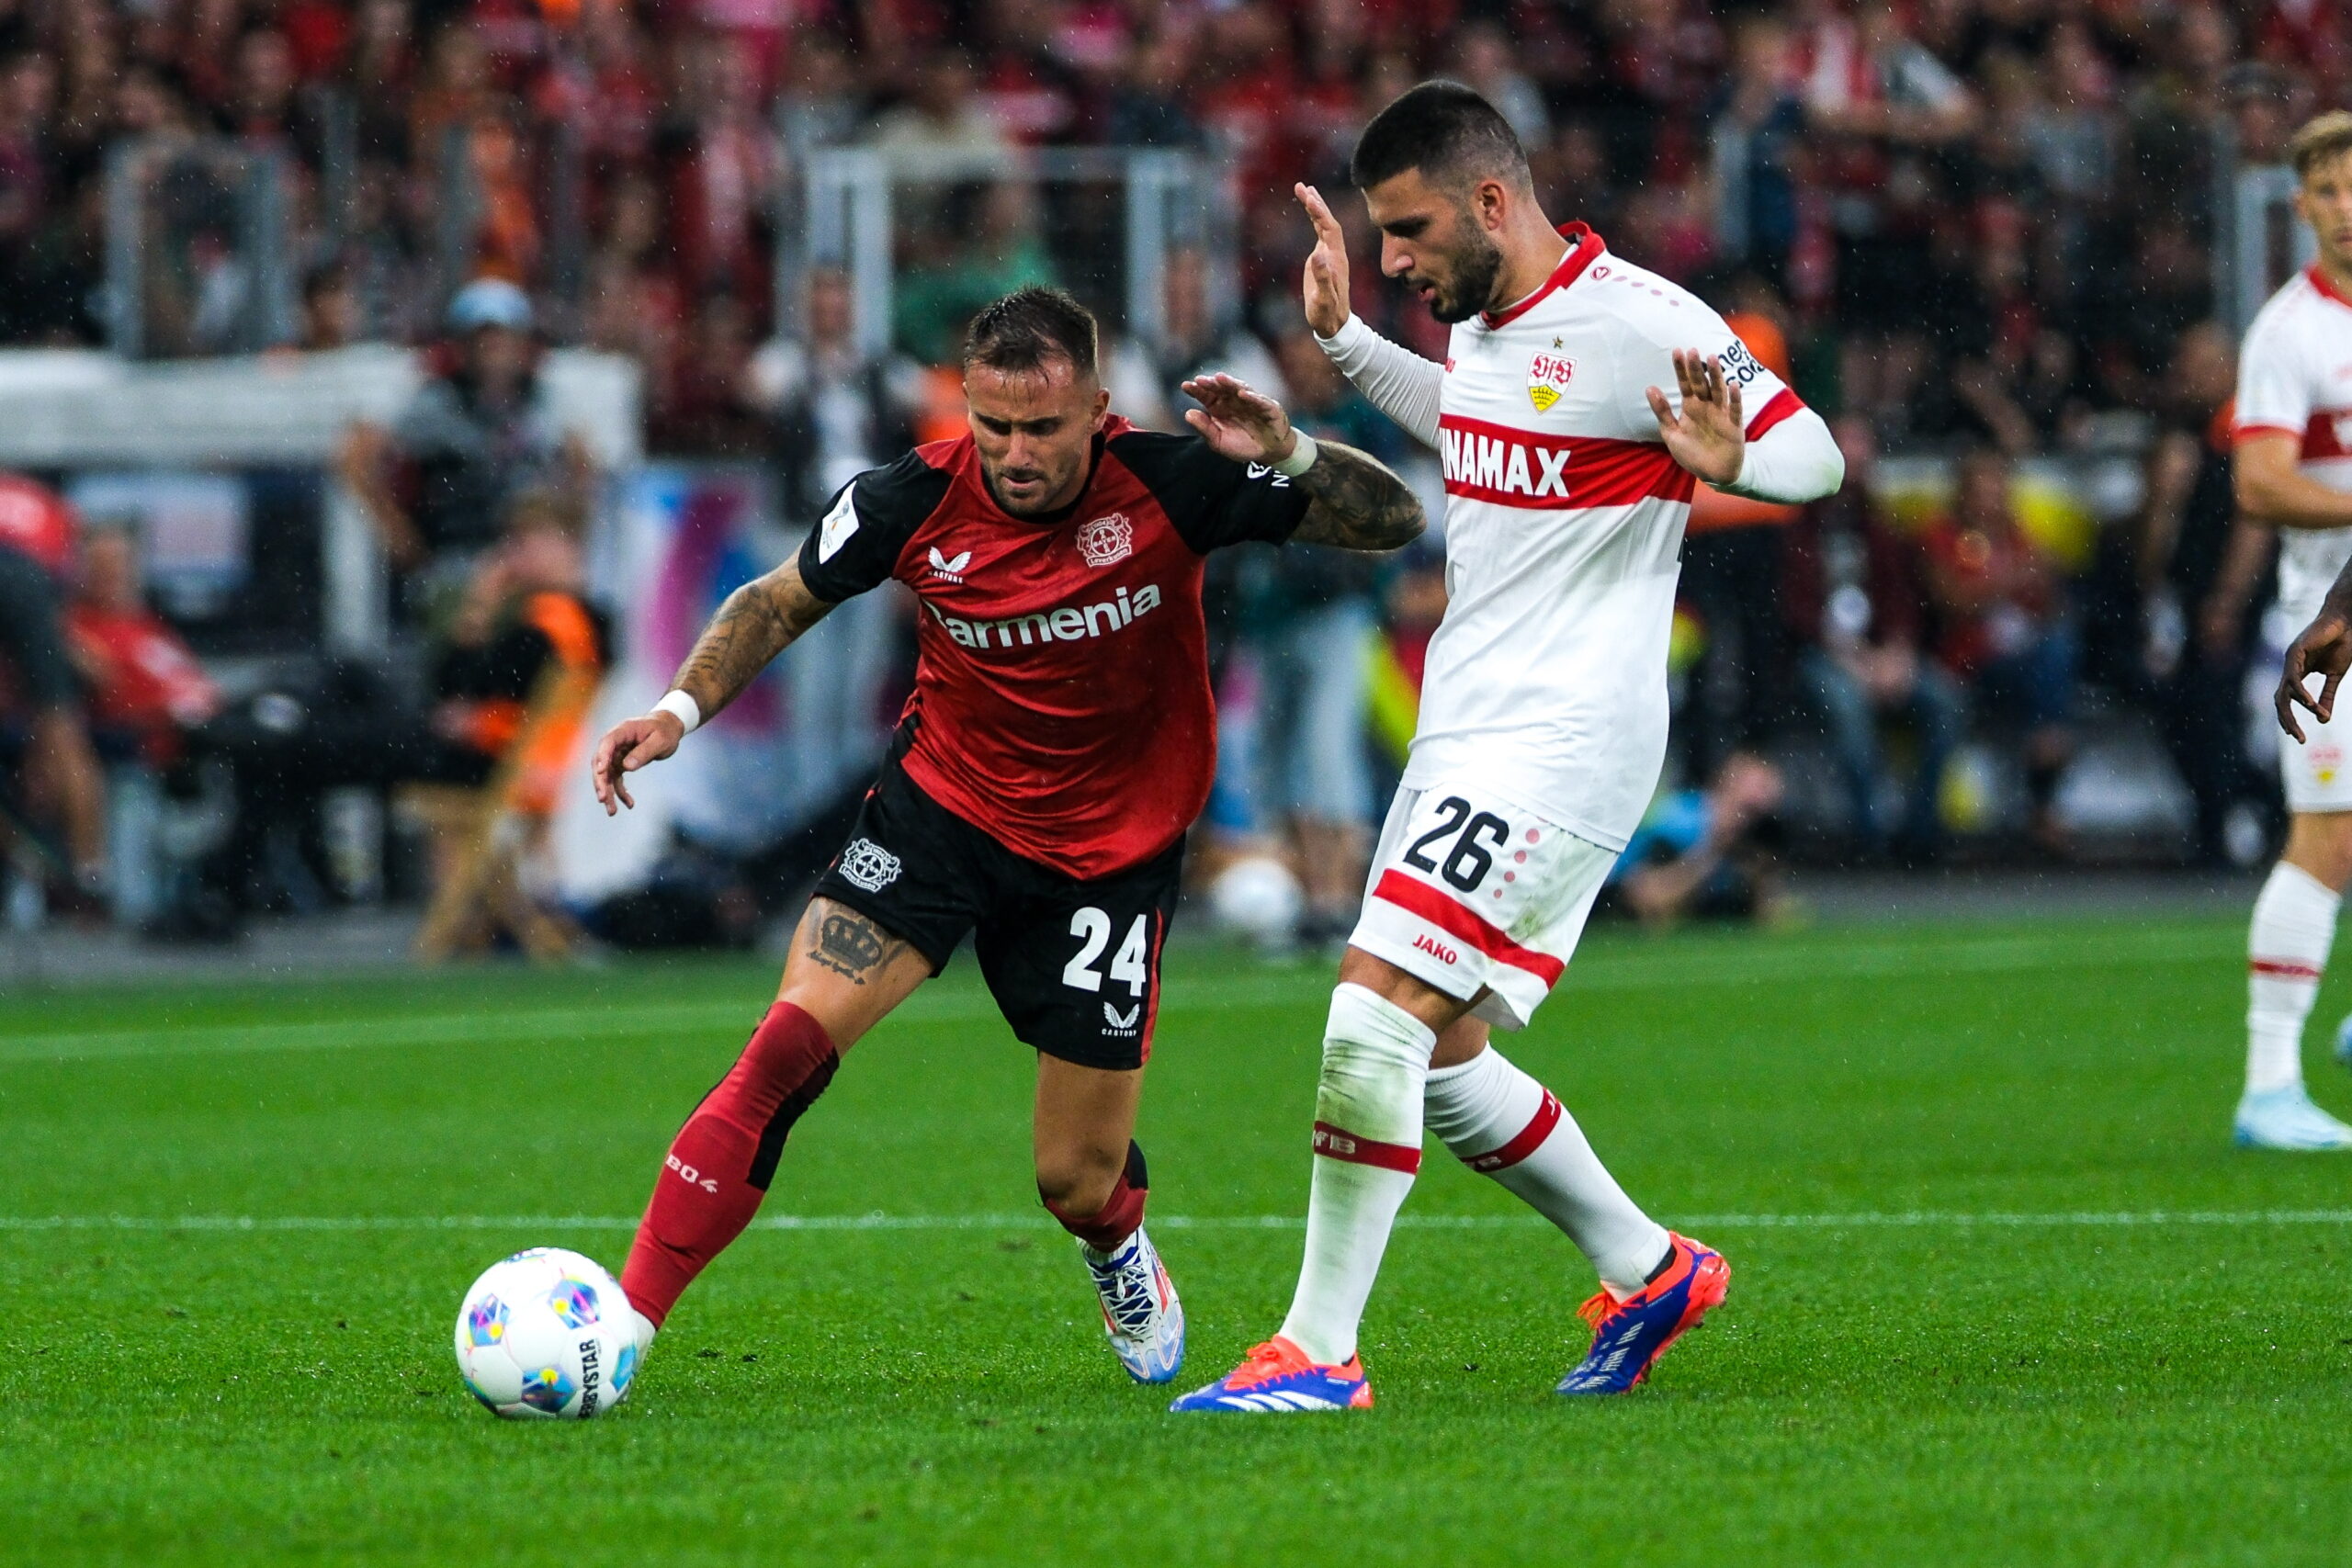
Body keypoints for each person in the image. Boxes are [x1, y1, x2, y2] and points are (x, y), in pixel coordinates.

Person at [587, 287, 1422, 1388]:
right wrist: (677, 710)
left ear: (1097, 412)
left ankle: (1118, 1243)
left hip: (1109, 858)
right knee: (785, 1047)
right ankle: (624, 1331)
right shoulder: (910, 498)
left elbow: (1395, 521)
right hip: (943, 814)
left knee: (1073, 1180)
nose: (1015, 454)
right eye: (993, 427)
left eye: (1040, 428)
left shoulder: (1177, 480)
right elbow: (780, 598)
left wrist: (1296, 457)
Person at [1174, 84, 1844, 1415]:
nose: (1399, 260)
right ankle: (1648, 1266)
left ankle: (1318, 1346)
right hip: (1469, 727)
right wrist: (1339, 355)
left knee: (1371, 1011)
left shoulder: (1644, 321)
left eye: (1410, 231)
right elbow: (1480, 423)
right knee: (1440, 1051)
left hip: (1561, 737)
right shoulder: (1489, 327)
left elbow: (1816, 453)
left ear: (1492, 200)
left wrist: (1736, 461)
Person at [2232, 111, 2352, 1151]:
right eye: (2329, 193)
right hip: (2329, 621)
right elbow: (2260, 479)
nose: (2349, 211)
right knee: (2327, 835)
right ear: (2301, 205)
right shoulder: (2289, 332)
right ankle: (2267, 1086)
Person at [337, 277, 594, 617]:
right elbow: (356, 456)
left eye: (503, 335)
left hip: (531, 567)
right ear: (462, 345)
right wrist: (402, 540)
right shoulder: (435, 404)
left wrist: (567, 538)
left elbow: (583, 463)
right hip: (457, 567)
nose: (495, 346)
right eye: (483, 337)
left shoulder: (544, 403)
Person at [1784, 416, 1962, 862]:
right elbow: (1798, 613)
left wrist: (1898, 656)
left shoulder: (1880, 528)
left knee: (1946, 700)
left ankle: (1920, 829)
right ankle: (1871, 833)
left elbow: (1903, 602)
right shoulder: (1798, 527)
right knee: (1847, 705)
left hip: (1880, 655)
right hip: (1822, 656)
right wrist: (1857, 662)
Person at [2137, 321, 2272, 869]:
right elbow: (2154, 545)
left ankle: (2234, 821)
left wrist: (2229, 600)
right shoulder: (2182, 436)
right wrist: (2162, 497)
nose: (2183, 377)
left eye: (2195, 366)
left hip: (2229, 602)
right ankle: (2238, 810)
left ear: (2227, 369)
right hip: (2184, 600)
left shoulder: (2243, 430)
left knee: (2214, 712)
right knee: (2183, 711)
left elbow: (2253, 522)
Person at [1918, 447, 2077, 852]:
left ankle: (2048, 735)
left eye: (1997, 487)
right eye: (1982, 488)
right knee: (2049, 661)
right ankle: (2047, 752)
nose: (1991, 497)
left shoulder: (2016, 536)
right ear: (1964, 493)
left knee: (2060, 642)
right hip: (1969, 663)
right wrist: (2006, 582)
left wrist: (2018, 581)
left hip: (2023, 661)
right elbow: (1950, 601)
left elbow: (2049, 593)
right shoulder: (1942, 537)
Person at [0, 472, 107, 916]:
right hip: (32, 579)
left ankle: (32, 862)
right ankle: (89, 873)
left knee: (53, 736)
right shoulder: (40, 501)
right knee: (64, 733)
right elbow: (64, 585)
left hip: (27, 577)